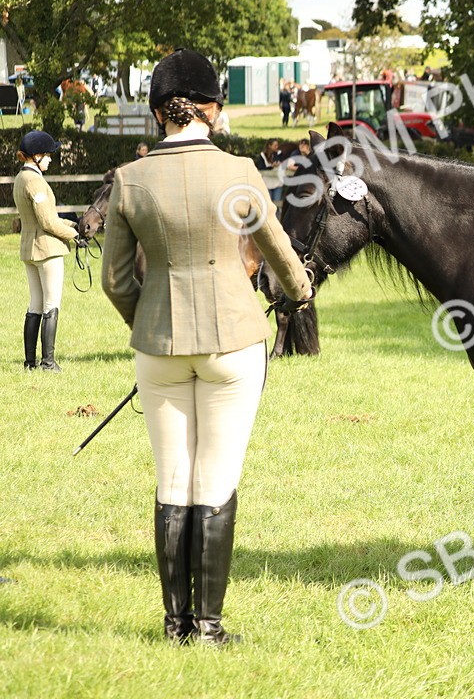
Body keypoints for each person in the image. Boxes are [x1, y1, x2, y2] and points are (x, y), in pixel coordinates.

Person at [101, 49, 313, 647]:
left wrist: (149, 324)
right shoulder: (240, 172)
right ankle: (210, 628)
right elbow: (283, 262)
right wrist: (299, 292)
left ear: (157, 112)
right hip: (232, 343)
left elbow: (117, 281)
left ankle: (175, 627)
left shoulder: (130, 179)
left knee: (174, 480)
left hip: (159, 346)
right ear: (212, 107)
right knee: (215, 480)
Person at [14, 130, 81, 372]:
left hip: (29, 249)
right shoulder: (35, 181)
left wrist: (73, 224)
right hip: (47, 250)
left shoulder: (21, 178)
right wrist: (75, 236)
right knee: (51, 304)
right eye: (49, 155)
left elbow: (45, 218)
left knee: (35, 304)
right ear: (37, 156)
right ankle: (48, 362)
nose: (51, 159)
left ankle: (30, 362)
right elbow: (48, 223)